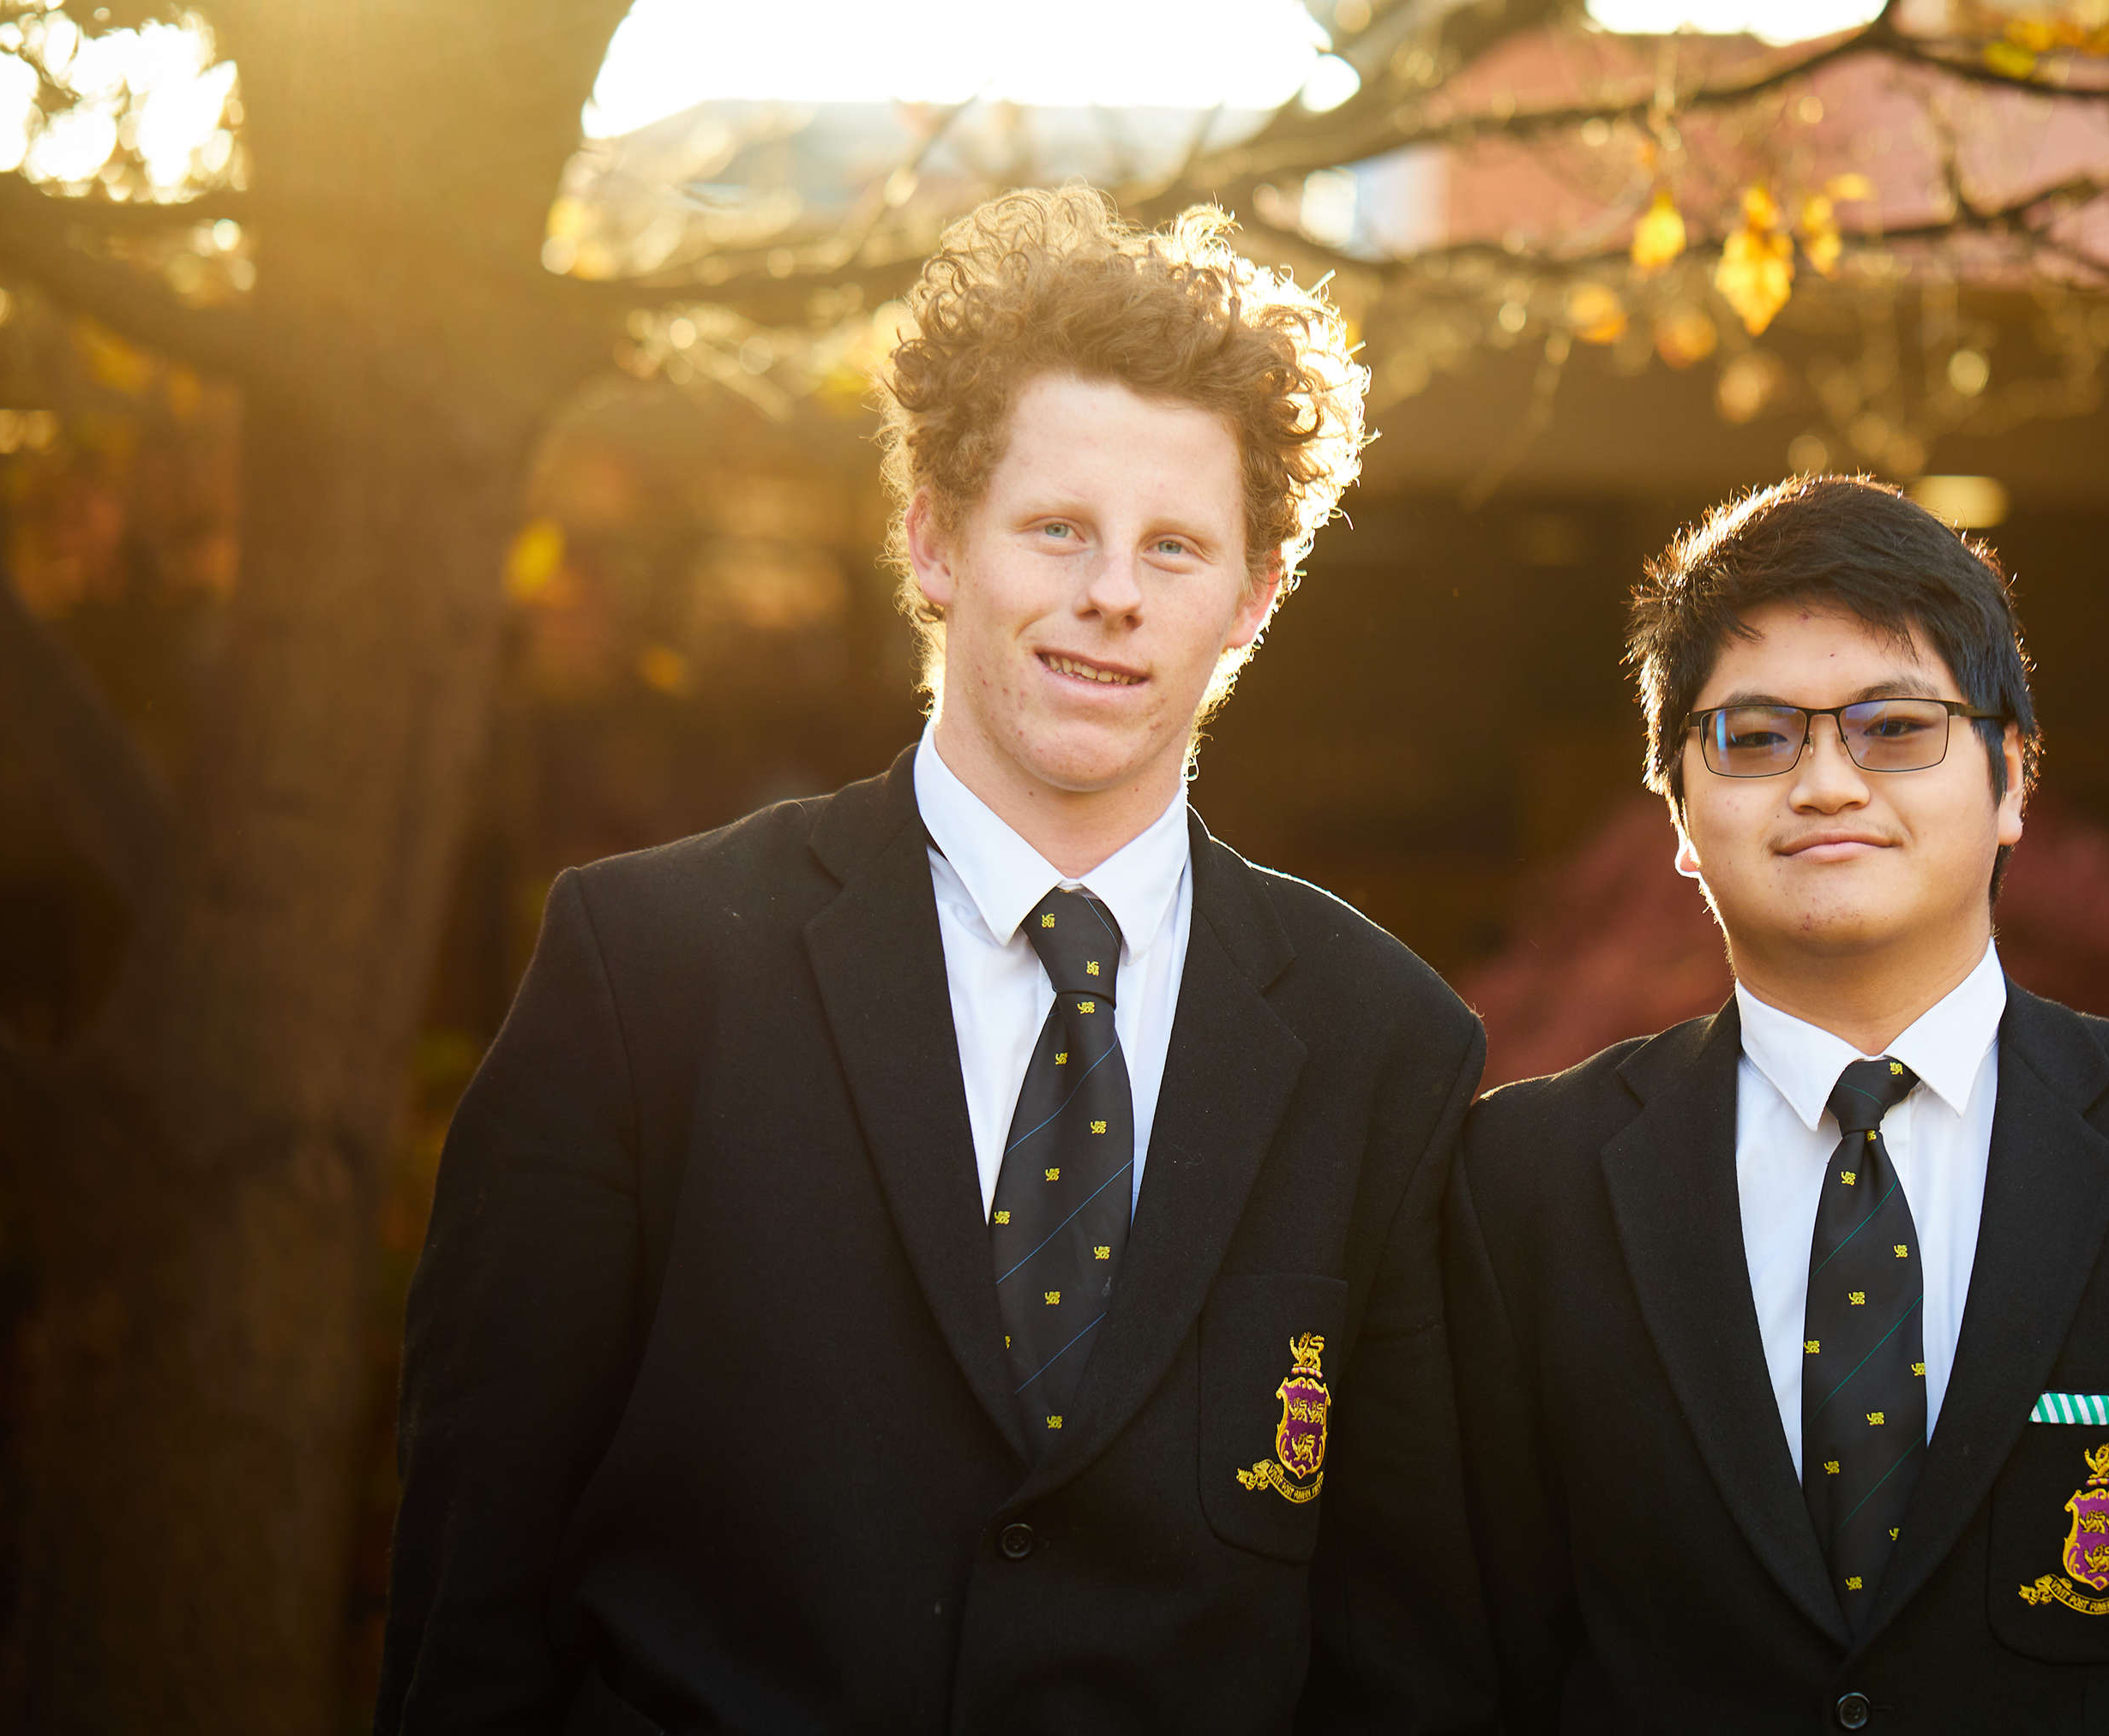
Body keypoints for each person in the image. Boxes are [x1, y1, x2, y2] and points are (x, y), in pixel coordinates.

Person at [380, 189, 1490, 1734]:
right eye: (1058, 528)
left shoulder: (1387, 1046)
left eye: (1175, 546)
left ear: (1252, 599)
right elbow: (469, 1595)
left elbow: (1403, 1661)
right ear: (934, 538)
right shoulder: (647, 973)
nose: (1113, 589)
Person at [1445, 475, 2109, 1733]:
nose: (1829, 783)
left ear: (2012, 778)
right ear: (1678, 812)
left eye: (1894, 727)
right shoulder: (1526, 1178)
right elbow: (1474, 1659)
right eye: (1756, 735)